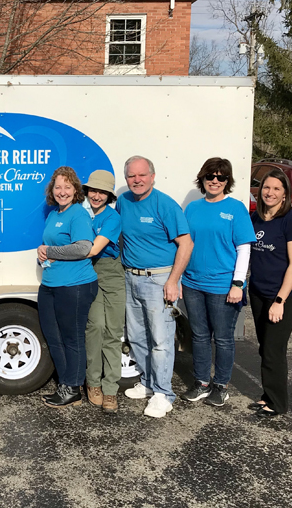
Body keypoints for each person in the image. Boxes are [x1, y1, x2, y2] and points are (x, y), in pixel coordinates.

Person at [117, 156, 193, 418]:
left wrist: (173, 280)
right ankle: (149, 384)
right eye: (131, 176)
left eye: (141, 175)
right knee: (137, 337)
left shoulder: (165, 205)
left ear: (152, 176)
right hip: (131, 277)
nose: (136, 180)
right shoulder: (123, 203)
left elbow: (186, 244)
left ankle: (164, 394)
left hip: (159, 279)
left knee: (161, 341)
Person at [181, 157, 255, 407]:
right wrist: (179, 277)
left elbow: (244, 248)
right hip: (192, 283)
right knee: (199, 336)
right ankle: (202, 382)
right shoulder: (192, 208)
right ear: (202, 178)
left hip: (223, 285)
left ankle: (221, 385)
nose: (215, 181)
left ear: (227, 181)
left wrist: (238, 284)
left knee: (223, 339)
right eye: (210, 176)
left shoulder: (235, 209)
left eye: (221, 177)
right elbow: (184, 245)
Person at [37, 166, 98, 408]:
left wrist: (50, 251)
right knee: (54, 337)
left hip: (75, 286)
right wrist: (42, 253)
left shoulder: (78, 215)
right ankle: (65, 384)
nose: (62, 192)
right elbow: (51, 244)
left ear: (76, 190)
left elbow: (83, 247)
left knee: (72, 338)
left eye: (67, 187)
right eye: (58, 187)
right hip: (50, 284)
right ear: (52, 190)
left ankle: (73, 387)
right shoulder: (54, 214)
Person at [248, 169, 292, 418]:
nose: (270, 193)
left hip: (283, 295)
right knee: (264, 346)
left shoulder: (291, 221)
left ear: (285, 195)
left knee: (274, 348)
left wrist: (280, 300)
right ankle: (268, 395)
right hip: (258, 291)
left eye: (276, 189)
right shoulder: (255, 219)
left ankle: (278, 403)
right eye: (266, 188)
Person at [83, 170, 126, 413]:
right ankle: (93, 383)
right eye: (93, 190)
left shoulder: (112, 217)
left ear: (109, 195)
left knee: (113, 331)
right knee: (96, 326)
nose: (96, 195)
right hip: (88, 272)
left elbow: (91, 248)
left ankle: (110, 390)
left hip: (111, 272)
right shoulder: (82, 214)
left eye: (102, 192)